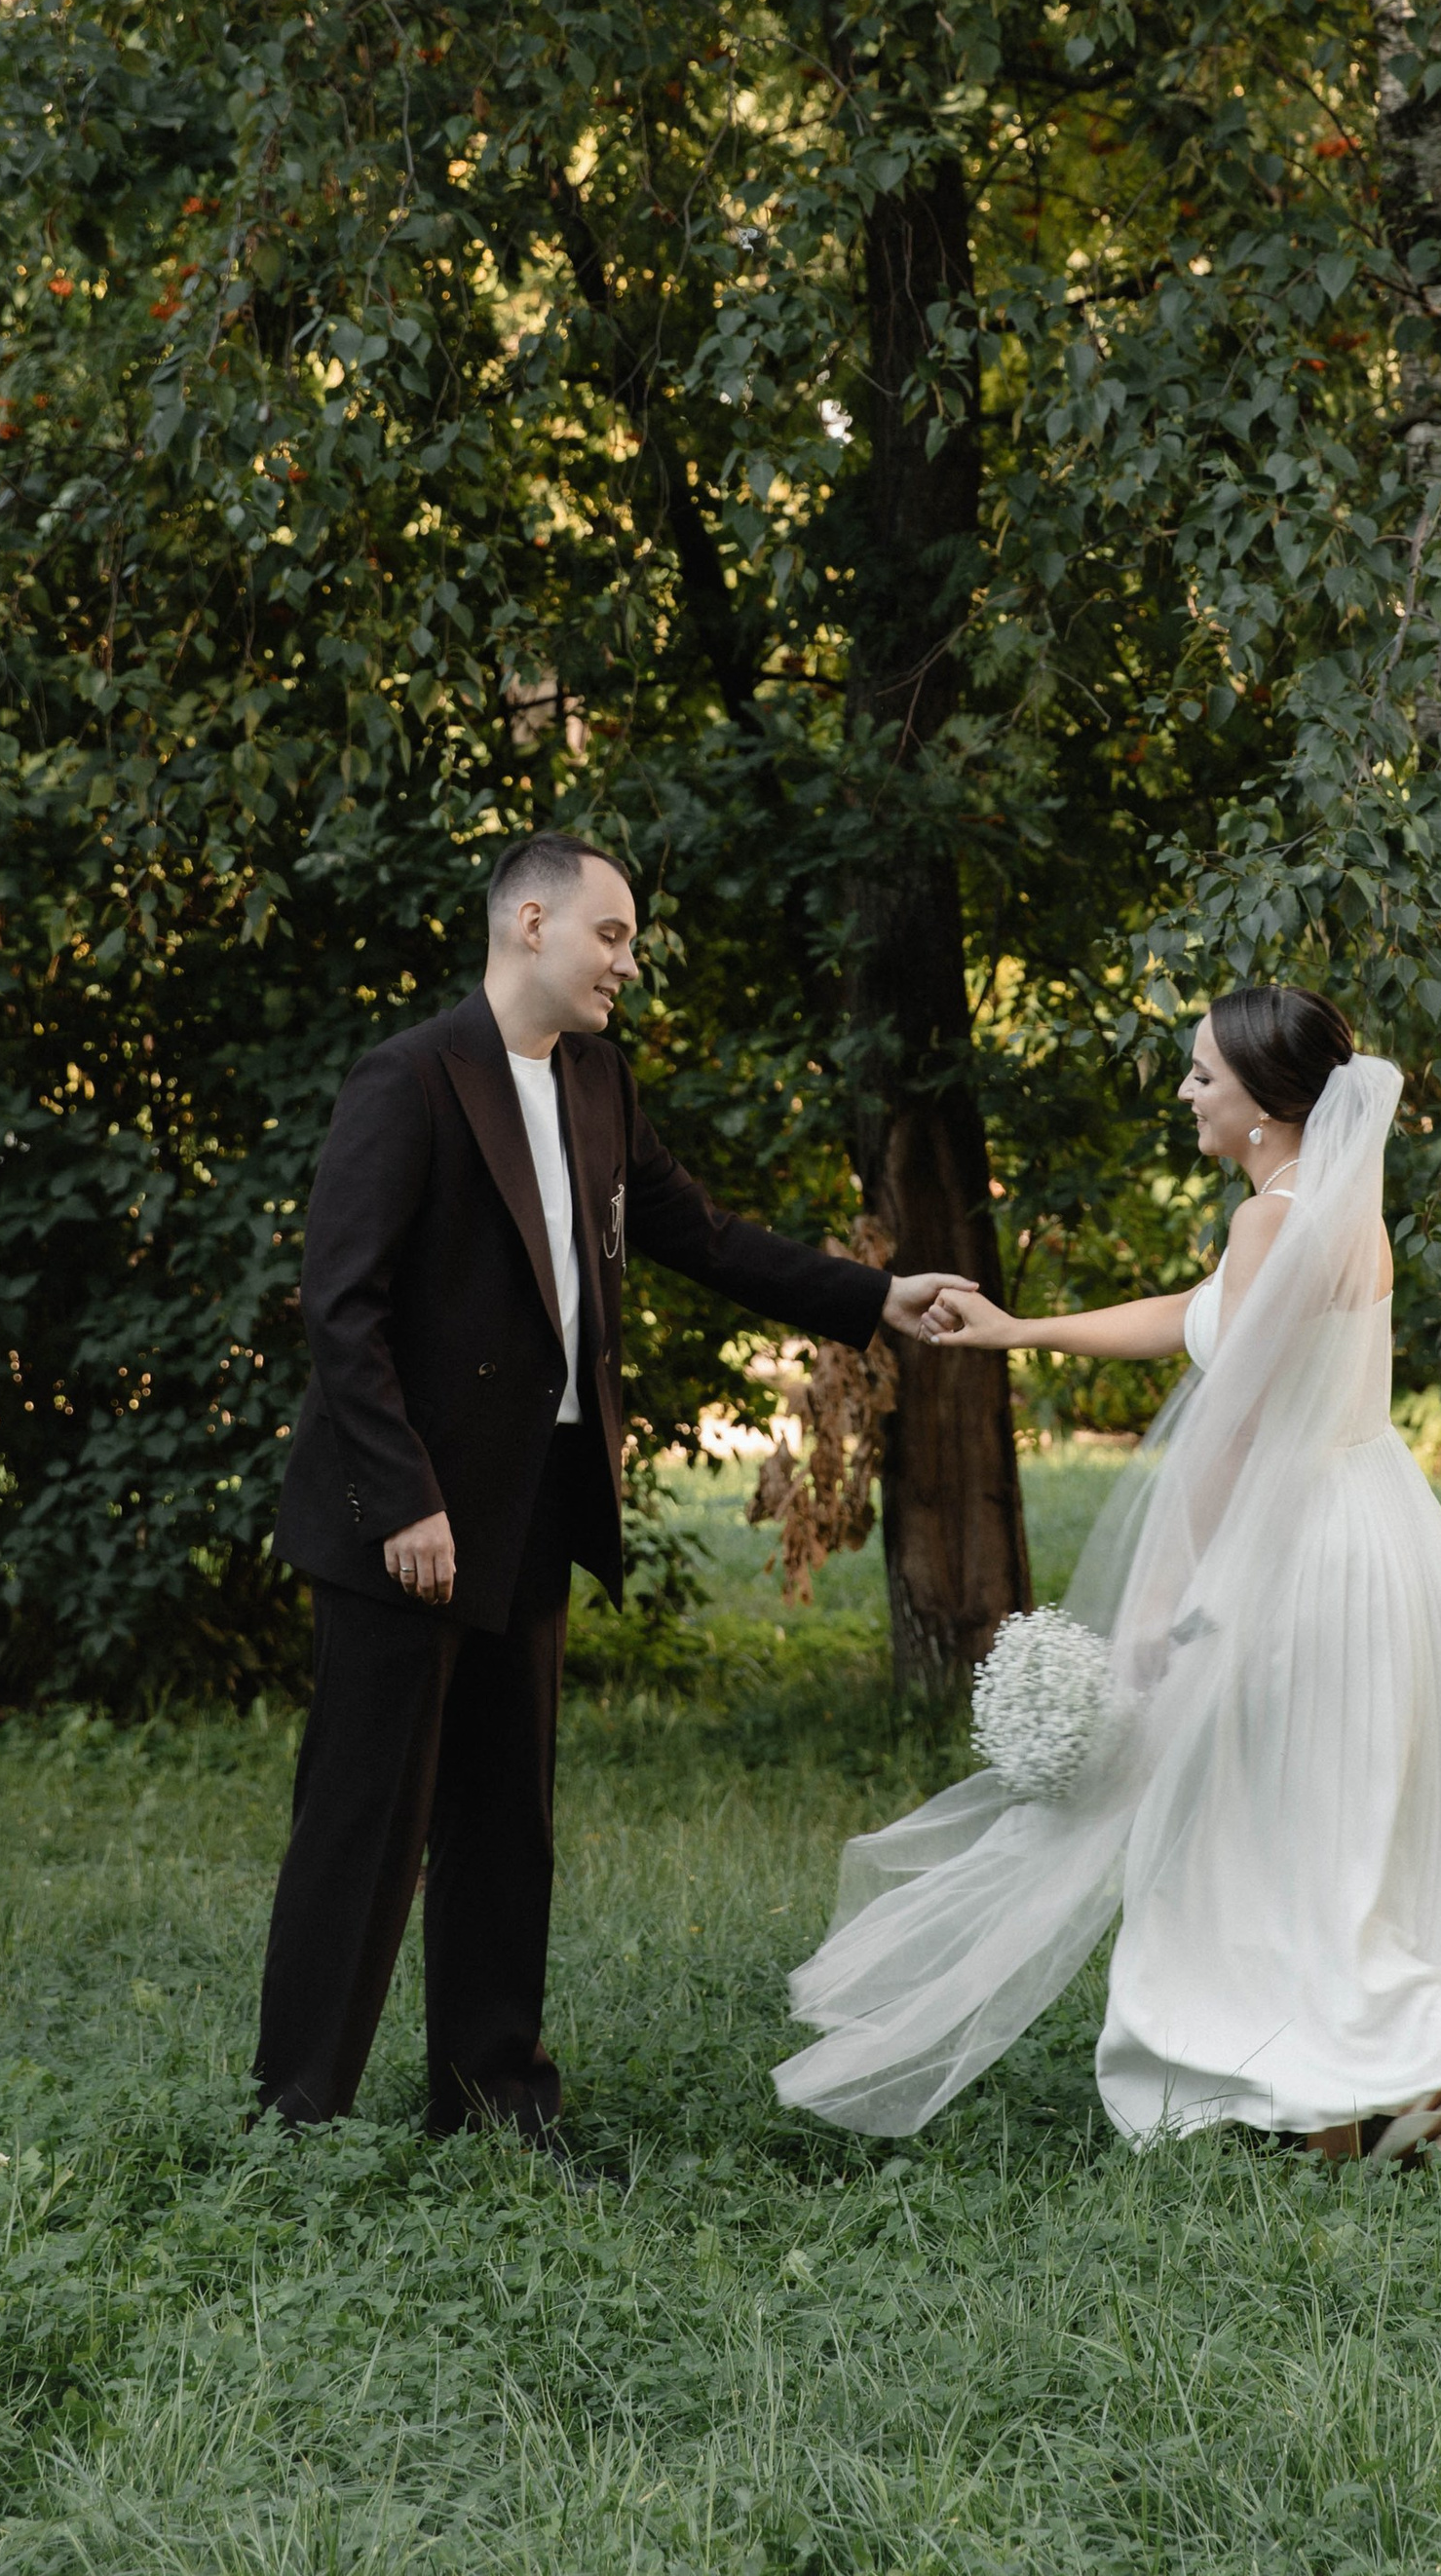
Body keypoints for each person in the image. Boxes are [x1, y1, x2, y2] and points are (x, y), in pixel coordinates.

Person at [255, 831, 962, 2146]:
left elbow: (704, 1237)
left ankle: (493, 2097)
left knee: (504, 1825)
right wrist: (406, 1498)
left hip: (529, 1510)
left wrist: (875, 1295)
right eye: (614, 935)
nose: (629, 964)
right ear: (529, 922)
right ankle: (298, 2117)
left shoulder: (598, 1081)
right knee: (361, 1827)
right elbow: (338, 1308)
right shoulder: (408, 1078)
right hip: (403, 1525)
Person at [773, 985, 1441, 2162]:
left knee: (1232, 1826)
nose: (1185, 1093)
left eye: (1201, 1076)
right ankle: (1335, 2117)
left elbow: (1225, 1434)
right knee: (1308, 1823)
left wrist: (1158, 1601)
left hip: (1287, 1551)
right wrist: (1021, 1331)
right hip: (1371, 1536)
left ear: (1264, 1104)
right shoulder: (1329, 1213)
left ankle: (1425, 2048)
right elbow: (1194, 1320)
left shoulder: (1268, 1224)